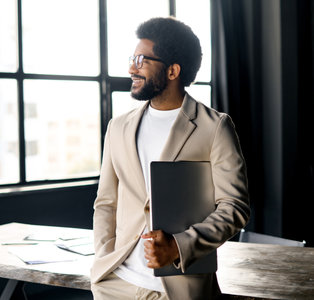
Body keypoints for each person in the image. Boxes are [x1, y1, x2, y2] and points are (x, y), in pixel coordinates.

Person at [91, 17, 250, 300]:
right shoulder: (117, 128)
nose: (131, 68)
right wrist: (105, 256)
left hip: (179, 288)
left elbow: (234, 207)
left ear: (173, 70)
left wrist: (179, 246)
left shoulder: (214, 127)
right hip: (117, 285)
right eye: (132, 58)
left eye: (142, 60)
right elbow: (106, 203)